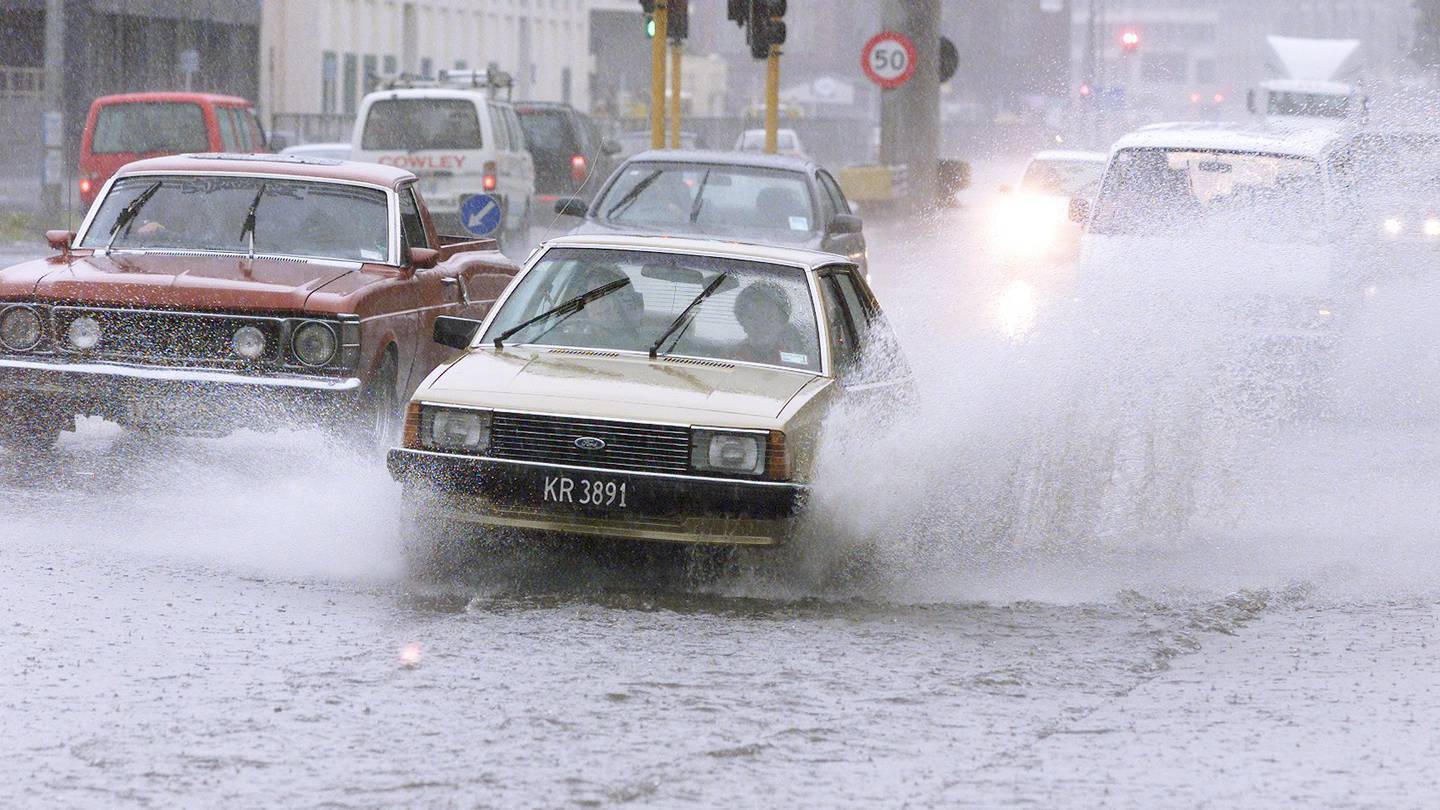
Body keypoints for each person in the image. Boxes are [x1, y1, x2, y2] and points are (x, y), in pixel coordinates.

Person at [732, 280, 806, 366]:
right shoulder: (729, 359)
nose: (761, 325)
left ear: (782, 322)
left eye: (768, 317)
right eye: (753, 317)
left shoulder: (799, 361)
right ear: (742, 322)